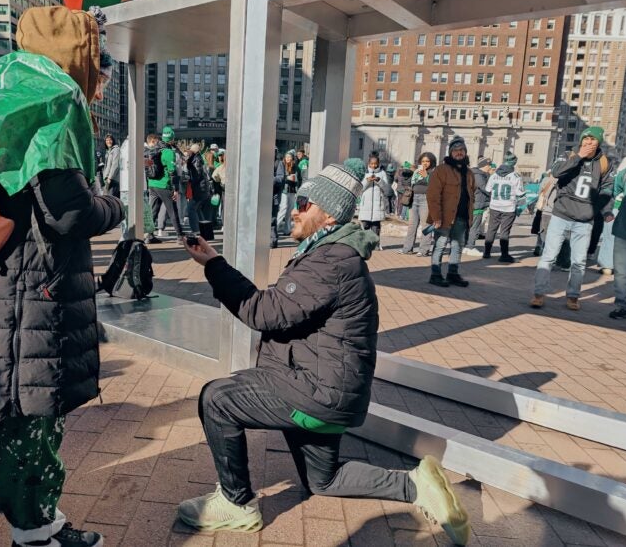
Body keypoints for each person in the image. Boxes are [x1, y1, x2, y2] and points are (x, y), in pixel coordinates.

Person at [177, 164, 470, 546]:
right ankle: (415, 484)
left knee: (218, 398)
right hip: (330, 393)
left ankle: (237, 504)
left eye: (304, 203)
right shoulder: (332, 253)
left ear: (329, 214)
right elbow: (284, 311)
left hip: (318, 394)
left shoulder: (331, 260)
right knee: (324, 480)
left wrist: (214, 266)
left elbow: (263, 312)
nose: (294, 210)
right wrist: (214, 260)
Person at [0, 6, 125, 547]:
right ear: (78, 58)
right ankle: (36, 528)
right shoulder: (51, 102)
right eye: (99, 71)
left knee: (9, 396)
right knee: (33, 407)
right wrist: (113, 208)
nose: (100, 86)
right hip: (27, 284)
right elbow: (68, 213)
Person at [531, 127, 614, 310]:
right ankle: (538, 293)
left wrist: (600, 209)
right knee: (549, 256)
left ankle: (573, 296)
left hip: (585, 220)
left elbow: (607, 189)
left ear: (599, 142)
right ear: (581, 139)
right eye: (586, 139)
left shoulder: (603, 163)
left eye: (593, 140)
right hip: (561, 214)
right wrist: (578, 157)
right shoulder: (568, 154)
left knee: (578, 261)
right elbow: (556, 172)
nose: (589, 143)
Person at [427, 136, 475, 288]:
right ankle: (435, 274)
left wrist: (470, 217)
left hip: (461, 216)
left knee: (457, 245)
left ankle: (453, 273)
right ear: (450, 152)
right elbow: (433, 195)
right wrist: (436, 216)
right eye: (455, 150)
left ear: (465, 152)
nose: (459, 153)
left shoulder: (469, 173)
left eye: (462, 150)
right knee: (440, 245)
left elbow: (471, 195)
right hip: (444, 217)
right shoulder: (441, 170)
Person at [483, 152, 525, 263]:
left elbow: (488, 190)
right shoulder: (515, 176)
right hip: (508, 207)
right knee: (504, 231)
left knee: (491, 229)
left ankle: (487, 252)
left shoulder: (494, 175)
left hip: (495, 205)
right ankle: (504, 255)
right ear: (513, 162)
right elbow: (520, 194)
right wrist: (520, 207)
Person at [147, 127, 185, 242]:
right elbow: (172, 172)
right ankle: (180, 236)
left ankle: (149, 236)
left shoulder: (154, 149)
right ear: (172, 138)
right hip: (164, 185)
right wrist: (176, 189)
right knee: (173, 211)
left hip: (152, 184)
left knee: (152, 211)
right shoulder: (168, 152)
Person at [400, 152, 437, 256]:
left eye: (427, 161)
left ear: (432, 162)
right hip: (414, 198)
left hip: (426, 199)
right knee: (412, 225)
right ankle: (407, 249)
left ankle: (424, 250)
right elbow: (409, 183)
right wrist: (406, 176)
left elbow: (436, 186)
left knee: (426, 225)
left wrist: (427, 176)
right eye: (423, 161)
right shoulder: (417, 171)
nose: (425, 163)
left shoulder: (434, 172)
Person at [609, 156, 626, 319]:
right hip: (624, 229)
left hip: (623, 229)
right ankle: (623, 305)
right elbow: (615, 192)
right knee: (621, 271)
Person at [358, 152, 391, 249]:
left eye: (375, 164)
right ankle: (365, 244)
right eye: (371, 164)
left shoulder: (382, 173)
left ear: (378, 163)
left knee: (376, 227)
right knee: (365, 226)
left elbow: (386, 188)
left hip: (377, 205)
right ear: (368, 163)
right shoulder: (364, 173)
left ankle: (376, 245)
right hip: (365, 205)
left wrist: (379, 180)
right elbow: (359, 188)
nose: (373, 166)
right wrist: (367, 181)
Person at [463, 158, 494, 257]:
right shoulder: (479, 176)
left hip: (474, 203)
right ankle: (470, 247)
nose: (490, 168)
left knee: (470, 226)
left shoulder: (474, 174)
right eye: (489, 165)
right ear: (485, 165)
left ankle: (466, 245)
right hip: (477, 204)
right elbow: (486, 189)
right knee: (474, 227)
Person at [184, 143, 212, 236]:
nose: (188, 152)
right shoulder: (197, 158)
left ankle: (195, 231)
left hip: (199, 189)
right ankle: (206, 232)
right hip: (202, 189)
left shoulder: (196, 160)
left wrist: (189, 179)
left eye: (190, 151)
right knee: (198, 210)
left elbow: (197, 175)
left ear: (193, 151)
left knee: (191, 209)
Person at [277, 151, 300, 235]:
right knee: (283, 208)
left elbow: (299, 178)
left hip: (292, 190)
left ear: (292, 158)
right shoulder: (281, 164)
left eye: (289, 157)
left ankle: (287, 230)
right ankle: (275, 228)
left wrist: (297, 181)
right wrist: (288, 177)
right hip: (284, 190)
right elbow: (279, 176)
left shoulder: (295, 167)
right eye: (286, 157)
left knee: (290, 210)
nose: (288, 158)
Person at [270, 152, 287, 248]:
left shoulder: (278, 163)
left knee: (272, 219)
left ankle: (273, 240)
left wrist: (269, 178)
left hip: (274, 196)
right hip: (263, 195)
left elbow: (280, 178)